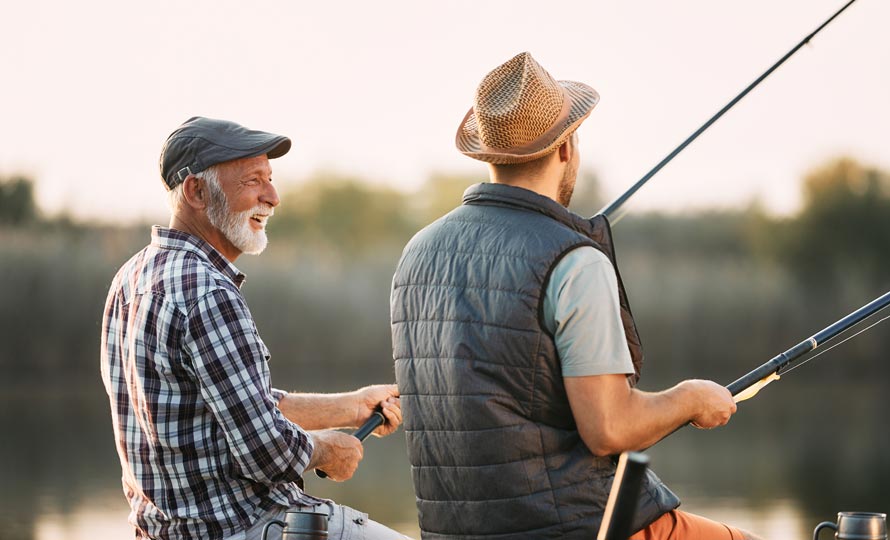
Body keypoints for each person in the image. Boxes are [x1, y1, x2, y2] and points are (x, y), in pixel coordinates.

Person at [390, 53, 764, 539]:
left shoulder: (416, 253)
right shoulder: (574, 261)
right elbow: (609, 427)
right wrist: (691, 397)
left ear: (488, 153)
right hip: (578, 528)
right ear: (566, 149)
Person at [101, 117, 410, 540]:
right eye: (253, 180)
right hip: (246, 526)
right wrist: (327, 450)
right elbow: (265, 451)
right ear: (196, 192)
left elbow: (242, 407)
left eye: (270, 178)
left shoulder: (130, 278)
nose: (273, 196)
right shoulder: (207, 290)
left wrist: (355, 405)